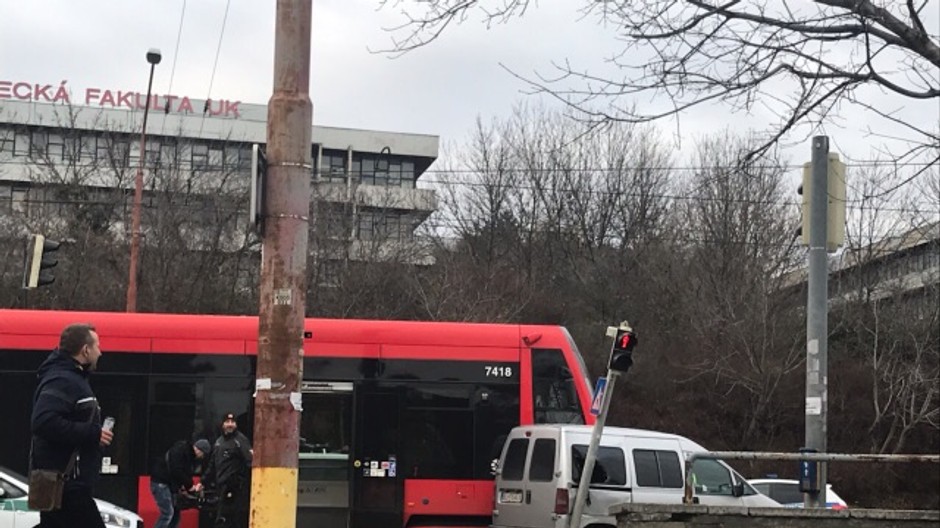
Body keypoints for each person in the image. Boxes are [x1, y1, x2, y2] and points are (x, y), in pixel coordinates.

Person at [29, 323, 112, 528]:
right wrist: (93, 433)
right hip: (67, 485)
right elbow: (43, 422)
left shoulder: (71, 379)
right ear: (85, 350)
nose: (100, 352)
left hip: (64, 485)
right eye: (97, 347)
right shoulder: (63, 380)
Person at [199, 413, 252, 528]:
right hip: (221, 487)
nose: (230, 425)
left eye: (232, 422)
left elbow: (250, 462)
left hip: (235, 488)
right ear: (222, 424)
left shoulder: (241, 441)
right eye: (227, 422)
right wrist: (203, 482)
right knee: (222, 518)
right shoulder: (219, 442)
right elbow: (212, 465)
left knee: (229, 520)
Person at [150, 438, 212, 528]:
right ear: (199, 450)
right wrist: (190, 486)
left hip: (168, 484)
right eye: (203, 455)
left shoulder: (187, 454)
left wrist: (189, 487)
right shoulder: (181, 451)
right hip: (161, 482)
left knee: (175, 514)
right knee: (168, 513)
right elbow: (177, 471)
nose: (202, 458)